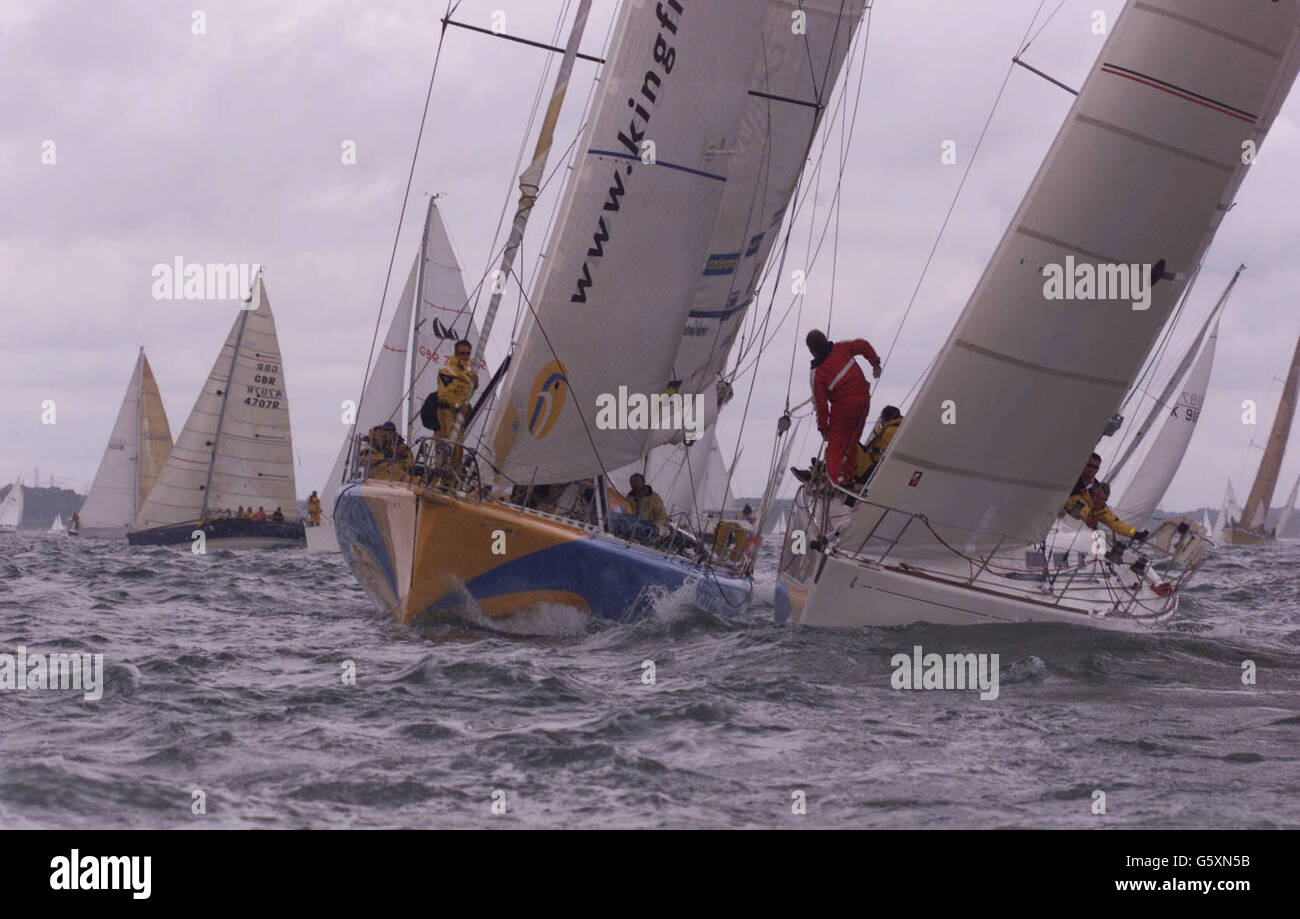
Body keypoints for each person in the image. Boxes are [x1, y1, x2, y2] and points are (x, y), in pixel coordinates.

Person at [793, 329, 882, 488]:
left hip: (845, 409)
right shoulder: (842, 348)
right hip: (863, 400)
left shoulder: (817, 374)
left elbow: (821, 406)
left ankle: (834, 484)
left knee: (835, 448)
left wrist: (823, 428)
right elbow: (862, 345)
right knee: (851, 443)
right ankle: (847, 480)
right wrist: (875, 363)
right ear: (825, 339)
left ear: (811, 351)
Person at [611, 473, 668, 543]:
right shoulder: (628, 498)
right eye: (632, 483)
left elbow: (662, 515)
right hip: (632, 529)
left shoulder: (654, 498)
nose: (635, 484)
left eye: (637, 482)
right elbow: (624, 513)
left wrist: (655, 527)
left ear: (643, 482)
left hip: (648, 529)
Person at [854, 405, 903, 484]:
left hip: (874, 466)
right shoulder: (901, 428)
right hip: (888, 468)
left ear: (886, 417)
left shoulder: (888, 431)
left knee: (853, 446)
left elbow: (872, 447)